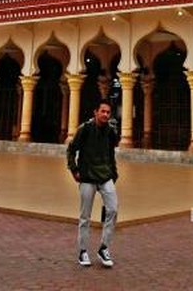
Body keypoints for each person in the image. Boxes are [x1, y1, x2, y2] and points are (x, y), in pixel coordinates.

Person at [67, 99, 119, 268]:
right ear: (95, 112)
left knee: (113, 209)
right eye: (102, 111)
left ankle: (104, 248)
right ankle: (83, 251)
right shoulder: (85, 129)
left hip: (105, 177)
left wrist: (113, 173)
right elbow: (71, 149)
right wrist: (74, 170)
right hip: (87, 178)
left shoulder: (110, 132)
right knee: (85, 216)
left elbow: (111, 153)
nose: (105, 115)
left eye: (108, 112)